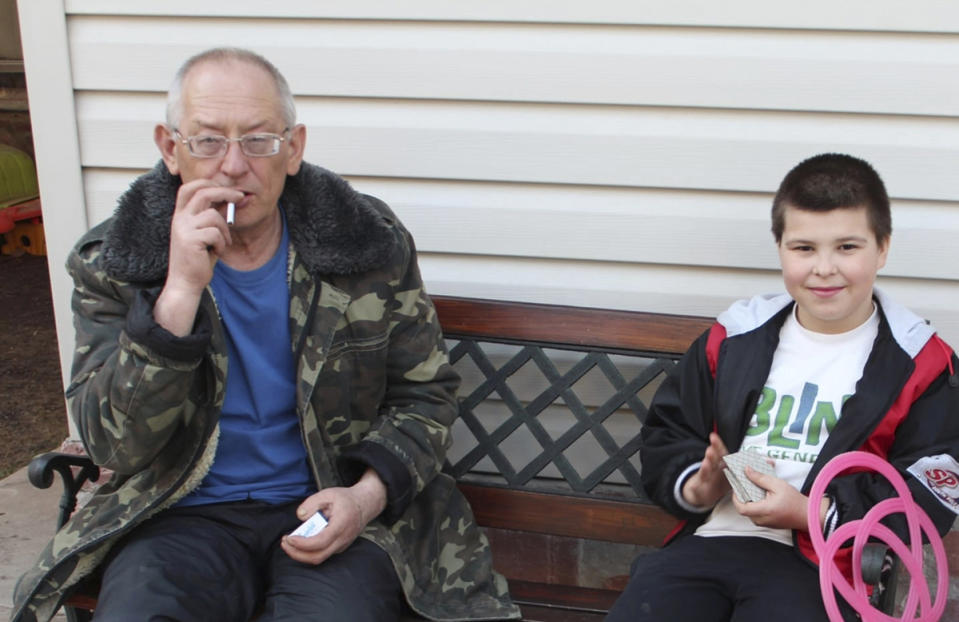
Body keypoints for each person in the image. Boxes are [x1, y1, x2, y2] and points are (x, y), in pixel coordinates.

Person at [12, 47, 518, 622]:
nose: (233, 165)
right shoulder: (118, 264)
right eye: (207, 140)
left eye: (259, 140)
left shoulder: (365, 245)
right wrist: (176, 296)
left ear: (293, 149)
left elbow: (425, 396)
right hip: (177, 511)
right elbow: (113, 446)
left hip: (330, 506)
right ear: (169, 148)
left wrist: (365, 497)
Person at [606, 153, 959, 622]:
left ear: (883, 248)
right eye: (804, 248)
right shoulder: (733, 338)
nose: (825, 268)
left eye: (848, 247)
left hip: (821, 560)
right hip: (711, 540)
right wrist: (698, 485)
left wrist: (813, 511)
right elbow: (670, 431)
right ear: (780, 248)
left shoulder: (921, 362)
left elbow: (929, 492)